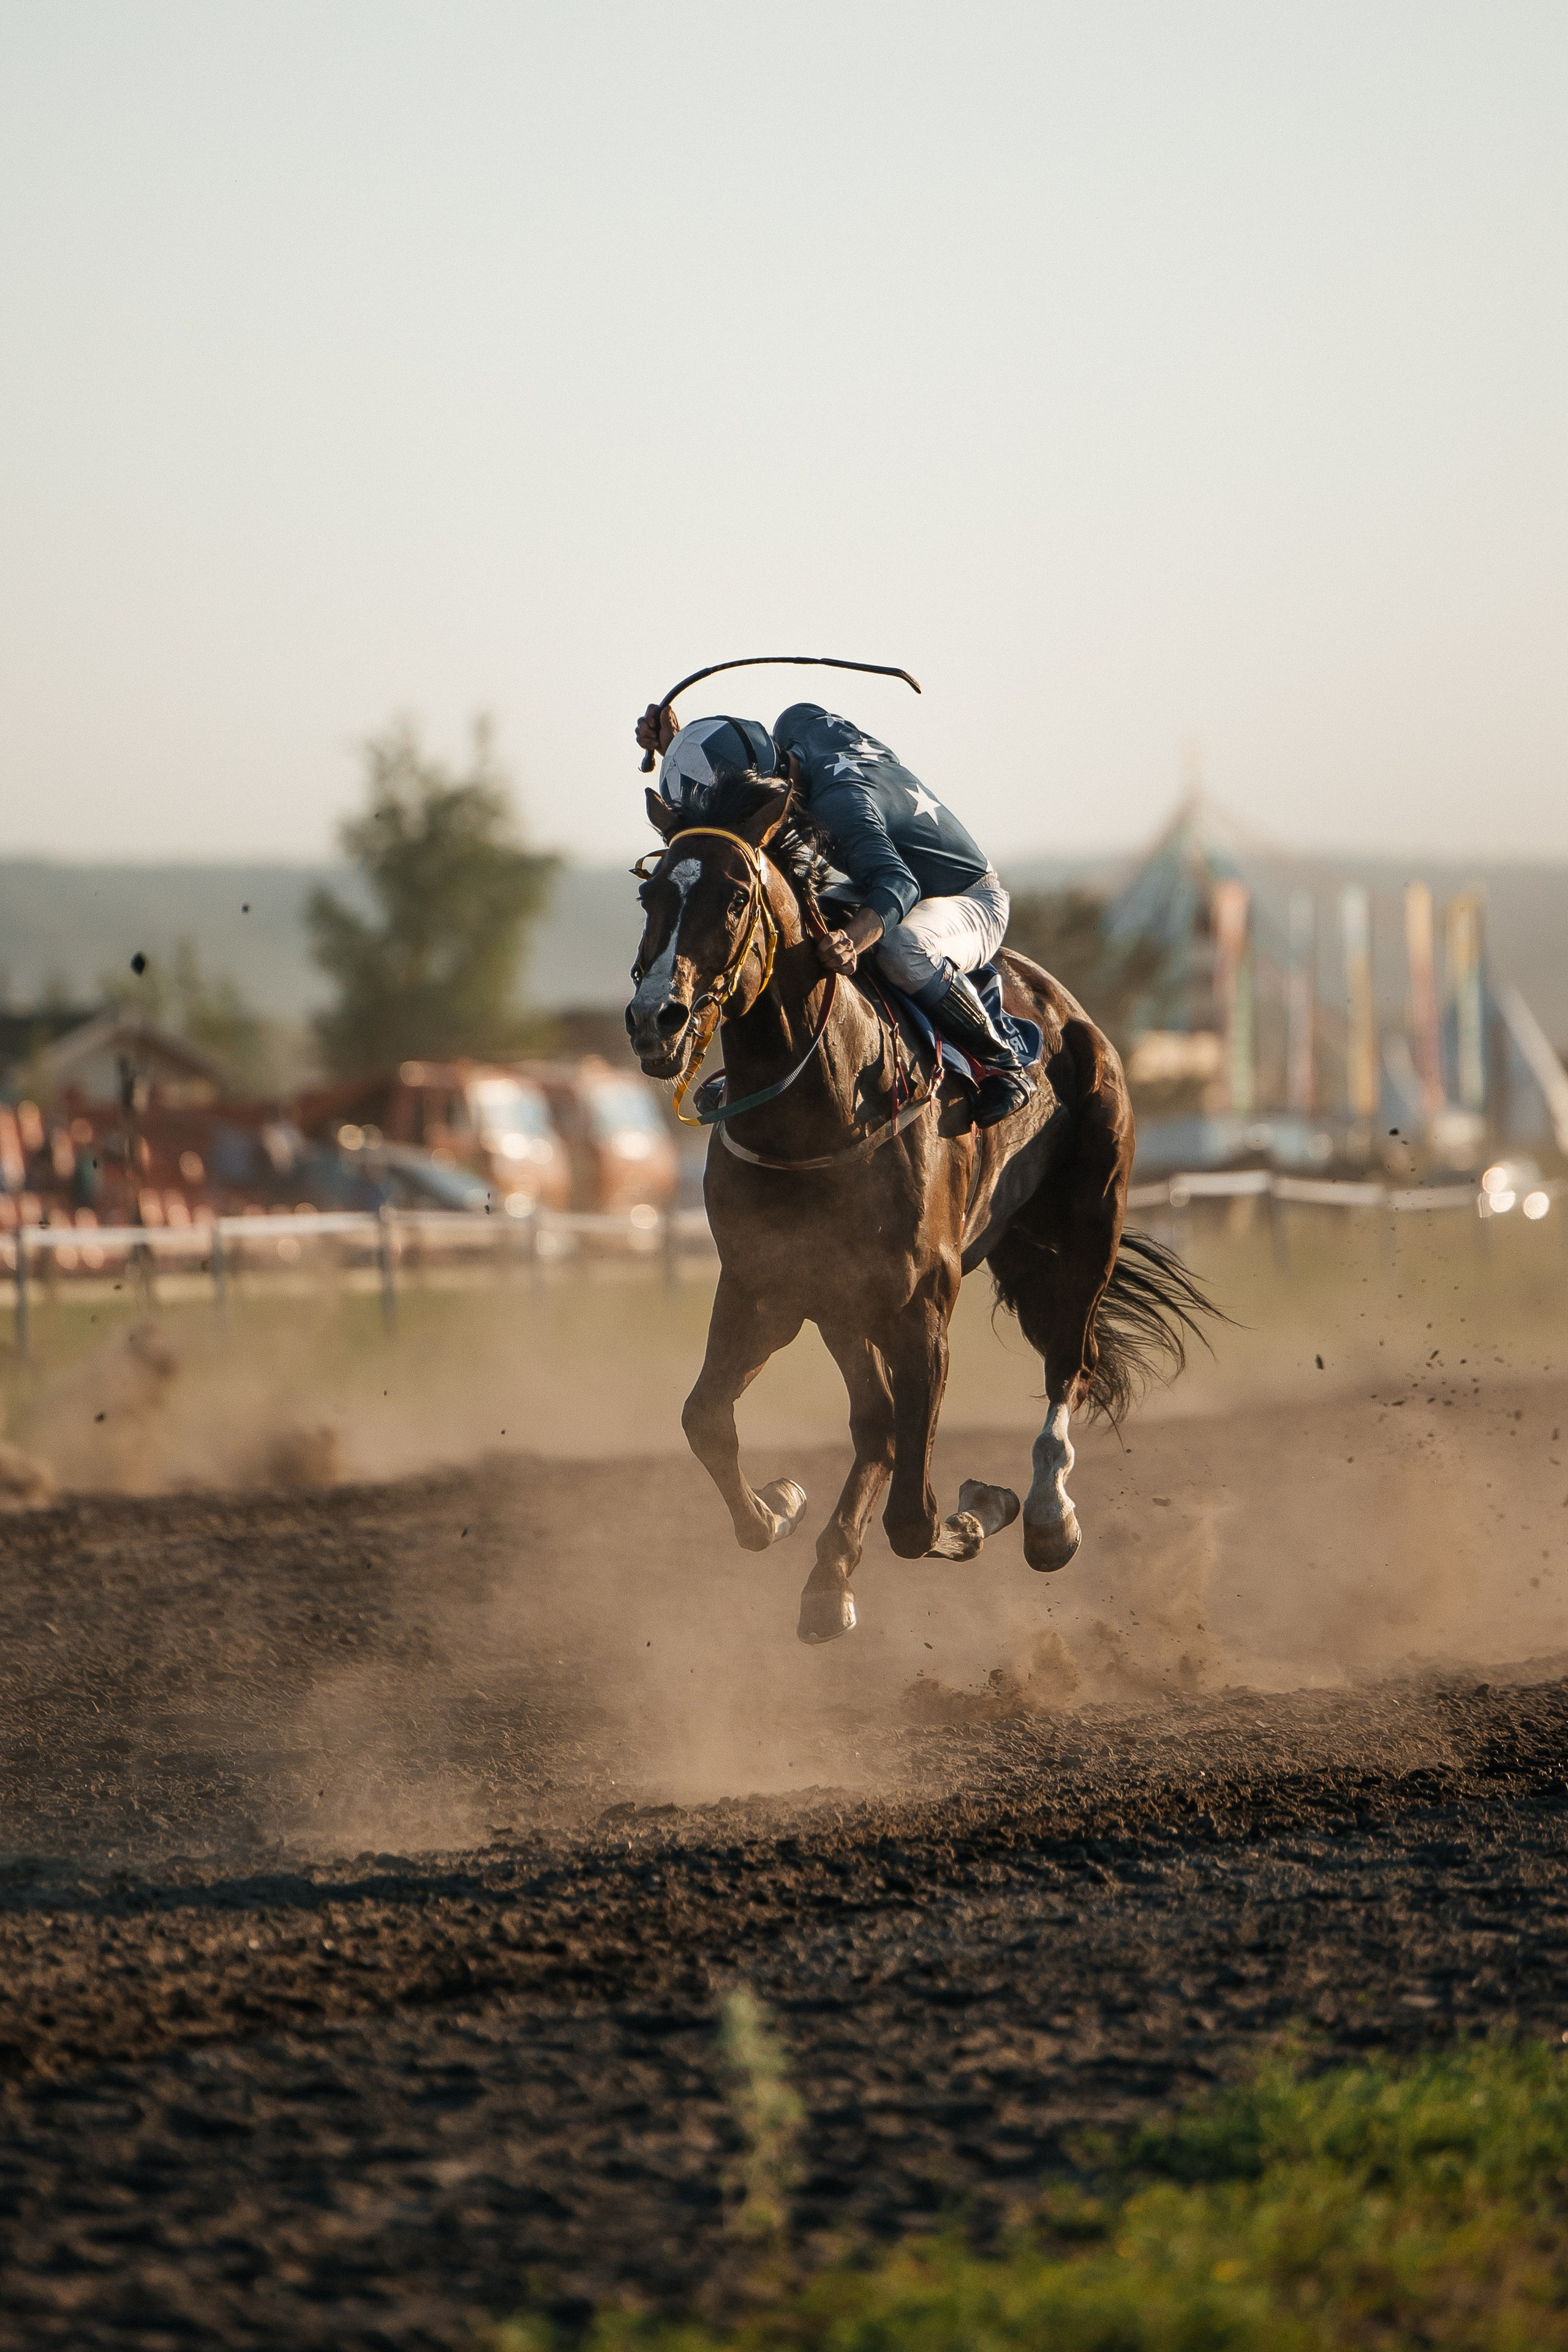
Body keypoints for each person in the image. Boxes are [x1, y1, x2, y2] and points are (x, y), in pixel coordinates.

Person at [635, 699, 1034, 1126]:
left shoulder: (841, 806)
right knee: (787, 927)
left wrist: (853, 939)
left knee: (901, 948)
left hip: (966, 897)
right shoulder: (796, 725)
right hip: (880, 878)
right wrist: (680, 748)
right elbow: (745, 767)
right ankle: (757, 1069)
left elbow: (900, 885)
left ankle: (1001, 1063)